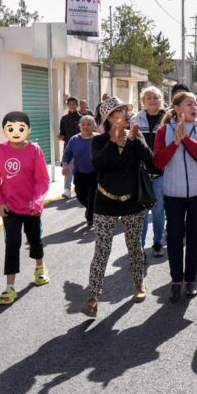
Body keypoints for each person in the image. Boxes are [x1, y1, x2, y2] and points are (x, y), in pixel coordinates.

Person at [79, 98, 154, 318]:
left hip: (132, 202)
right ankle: (93, 297)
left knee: (134, 247)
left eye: (126, 110)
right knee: (102, 250)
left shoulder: (136, 136)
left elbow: (152, 164)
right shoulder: (99, 140)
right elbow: (98, 164)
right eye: (121, 111)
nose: (126, 114)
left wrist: (136, 141)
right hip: (105, 202)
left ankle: (139, 284)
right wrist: (114, 140)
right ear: (110, 117)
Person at [153, 91, 197, 302]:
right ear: (176, 108)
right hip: (173, 192)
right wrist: (176, 142)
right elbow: (159, 162)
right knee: (175, 236)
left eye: (195, 104)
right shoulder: (163, 131)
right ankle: (176, 280)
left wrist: (185, 137)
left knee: (195, 236)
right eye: (189, 103)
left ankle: (191, 280)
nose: (194, 107)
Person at [0, 111, 51, 305]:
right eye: (11, 128)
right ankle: (10, 287)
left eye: (21, 128)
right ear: (4, 130)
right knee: (12, 243)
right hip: (10, 207)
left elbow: (42, 179)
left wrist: (37, 202)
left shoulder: (35, 150)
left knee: (34, 240)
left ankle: (40, 267)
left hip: (31, 207)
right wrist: (0, 203)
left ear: (28, 130)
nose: (16, 132)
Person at [132, 86, 167, 258]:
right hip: (142, 175)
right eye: (148, 98)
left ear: (161, 100)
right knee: (143, 212)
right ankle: (140, 246)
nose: (152, 100)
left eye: (156, 97)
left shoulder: (169, 119)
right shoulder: (135, 120)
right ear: (143, 102)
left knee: (159, 211)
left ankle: (158, 242)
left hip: (162, 173)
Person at [62, 115, 97, 229]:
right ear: (79, 126)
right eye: (83, 124)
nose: (86, 126)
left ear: (94, 126)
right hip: (79, 172)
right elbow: (67, 154)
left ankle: (90, 218)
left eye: (89, 124)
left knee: (92, 196)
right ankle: (91, 208)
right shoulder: (74, 139)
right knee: (80, 195)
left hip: (94, 173)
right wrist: (65, 165)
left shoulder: (98, 139)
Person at [58, 97, 82, 197]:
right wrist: (61, 137)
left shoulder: (81, 118)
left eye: (74, 103)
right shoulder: (64, 119)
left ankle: (80, 187)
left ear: (77, 105)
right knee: (67, 168)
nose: (72, 105)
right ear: (67, 105)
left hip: (81, 147)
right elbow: (62, 133)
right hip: (68, 147)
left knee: (80, 169)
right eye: (70, 103)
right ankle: (67, 190)